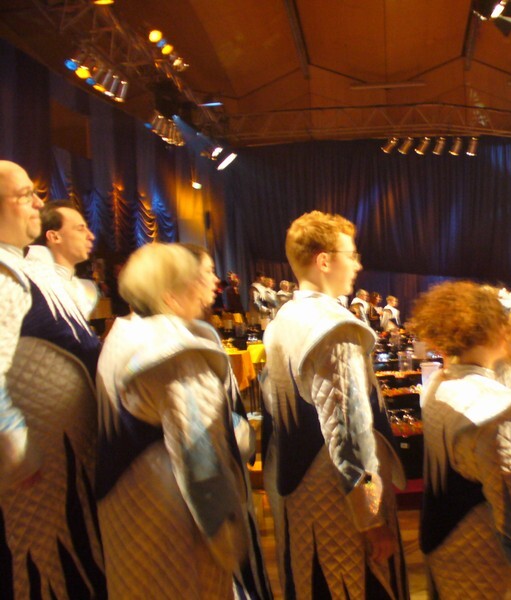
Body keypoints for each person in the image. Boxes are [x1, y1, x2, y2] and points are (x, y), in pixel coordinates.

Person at [95, 243, 271, 599]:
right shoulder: (174, 350)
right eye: (198, 279)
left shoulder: (123, 333)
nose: (210, 287)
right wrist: (229, 541)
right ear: (171, 293)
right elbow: (202, 458)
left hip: (129, 513)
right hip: (173, 526)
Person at [261, 210, 407, 599]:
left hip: (302, 490)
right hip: (338, 500)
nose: (357, 265)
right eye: (351, 254)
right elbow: (350, 434)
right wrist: (371, 515)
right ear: (324, 260)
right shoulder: (334, 327)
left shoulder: (283, 319)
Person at [410, 281, 511, 599]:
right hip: (490, 560)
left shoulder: (438, 385)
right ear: (492, 332)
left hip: (445, 542)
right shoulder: (492, 408)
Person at [0, 160, 106, 598]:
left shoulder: (26, 268)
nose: (37, 203)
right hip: (36, 466)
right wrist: (14, 445)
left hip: (63, 455)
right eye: (25, 195)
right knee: (44, 568)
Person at [31, 199, 98, 319]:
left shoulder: (78, 288)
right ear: (54, 237)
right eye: (80, 229)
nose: (91, 236)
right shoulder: (35, 285)